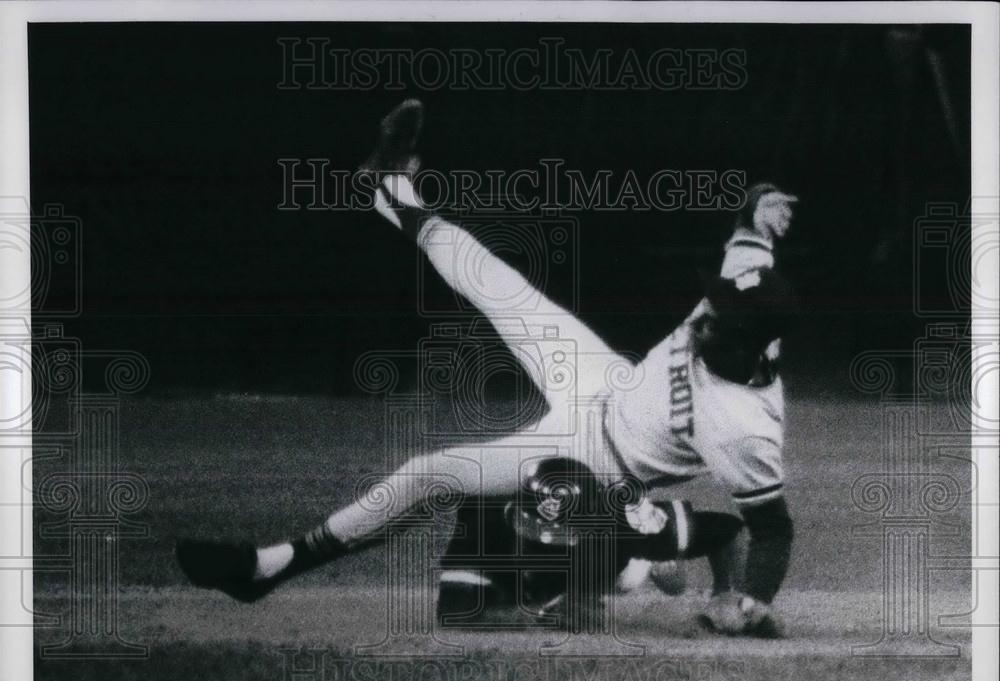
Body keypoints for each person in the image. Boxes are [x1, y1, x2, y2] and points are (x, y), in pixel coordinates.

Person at [176, 100, 799, 637]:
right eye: (712, 303)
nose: (703, 314)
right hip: (605, 379)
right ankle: (390, 187)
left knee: (433, 472)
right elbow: (750, 225)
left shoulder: (745, 429)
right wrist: (764, 200)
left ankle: (269, 566)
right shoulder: (744, 300)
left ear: (746, 340)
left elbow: (772, 528)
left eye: (717, 317)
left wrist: (752, 602)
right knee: (495, 283)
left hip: (604, 459)